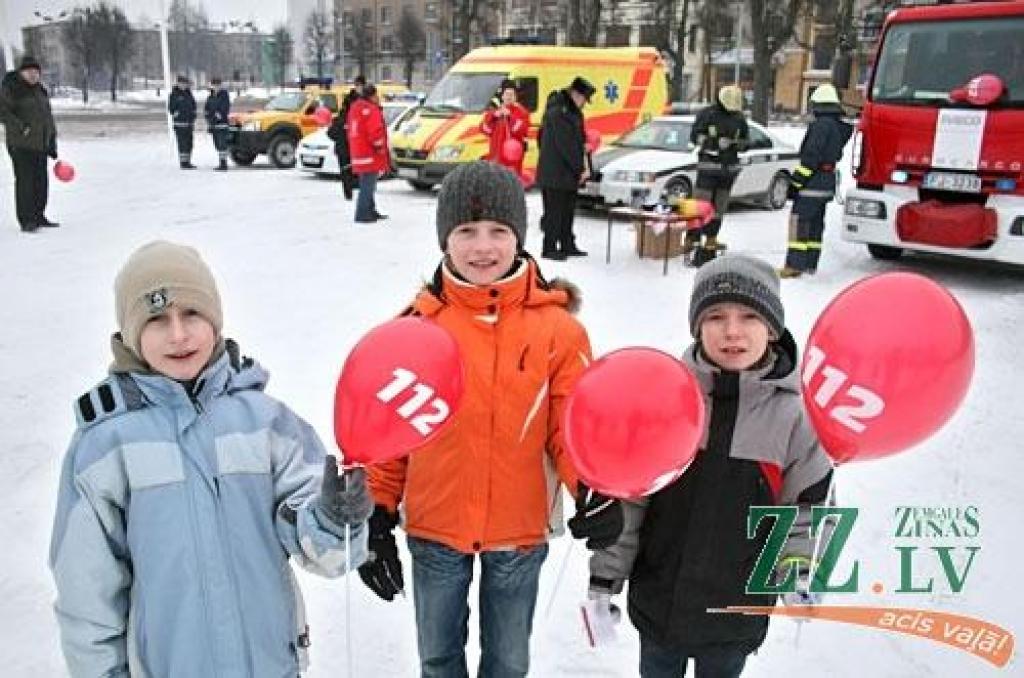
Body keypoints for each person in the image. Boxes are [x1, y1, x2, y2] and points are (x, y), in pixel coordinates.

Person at [49, 240, 372, 676]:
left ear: (215, 320)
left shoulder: (265, 422)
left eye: (192, 314)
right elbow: (86, 593)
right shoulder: (106, 446)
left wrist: (332, 518)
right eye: (157, 320)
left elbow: (329, 554)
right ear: (129, 333)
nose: (178, 335)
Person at [360, 161, 623, 677]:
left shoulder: (559, 331)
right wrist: (377, 512)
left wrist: (591, 489)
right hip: (436, 526)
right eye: (466, 231)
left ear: (519, 236)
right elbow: (391, 435)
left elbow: (569, 428)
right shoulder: (416, 328)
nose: (483, 247)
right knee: (438, 658)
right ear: (445, 239)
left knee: (508, 661)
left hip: (517, 532)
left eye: (498, 231)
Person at [588, 254, 835, 678]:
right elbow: (631, 502)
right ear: (697, 327)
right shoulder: (666, 400)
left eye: (750, 317)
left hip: (734, 615)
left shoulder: (795, 418)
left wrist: (799, 572)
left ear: (772, 329)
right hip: (659, 604)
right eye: (716, 316)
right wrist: (605, 578)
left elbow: (806, 509)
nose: (732, 331)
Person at [779, 84, 853, 278]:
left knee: (800, 222)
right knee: (815, 224)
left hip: (813, 182)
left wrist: (796, 183)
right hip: (827, 182)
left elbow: (810, 157)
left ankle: (794, 265)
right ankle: (810, 263)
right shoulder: (838, 127)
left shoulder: (821, 126)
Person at [686, 84, 750, 267]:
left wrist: (735, 144)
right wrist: (713, 142)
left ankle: (711, 238)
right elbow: (694, 136)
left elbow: (746, 142)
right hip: (708, 168)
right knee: (700, 206)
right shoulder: (707, 114)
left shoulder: (739, 118)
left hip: (728, 170)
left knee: (719, 207)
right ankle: (692, 239)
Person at [536, 76, 596, 260]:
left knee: (567, 212)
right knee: (554, 212)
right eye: (584, 99)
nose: (584, 103)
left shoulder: (571, 112)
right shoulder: (559, 113)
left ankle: (567, 244)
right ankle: (549, 247)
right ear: (575, 94)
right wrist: (580, 168)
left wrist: (584, 150)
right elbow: (566, 145)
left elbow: (577, 140)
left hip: (566, 173)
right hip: (555, 172)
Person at [0, 55, 59, 232]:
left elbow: (47, 117)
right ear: (21, 73)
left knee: (41, 182)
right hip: (21, 145)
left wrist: (51, 140)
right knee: (25, 182)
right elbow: (3, 112)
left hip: (40, 144)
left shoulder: (40, 91)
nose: (33, 75)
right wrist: (21, 128)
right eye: (29, 71)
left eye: (36, 71)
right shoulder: (12, 89)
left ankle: (38, 215)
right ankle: (26, 220)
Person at [347, 83, 389, 223]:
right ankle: (363, 213)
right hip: (370, 154)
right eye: (376, 95)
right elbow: (375, 132)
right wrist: (380, 147)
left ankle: (370, 209)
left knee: (366, 183)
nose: (378, 98)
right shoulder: (371, 109)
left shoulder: (355, 108)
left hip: (358, 152)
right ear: (372, 96)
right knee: (368, 185)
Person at [480, 78, 530, 179]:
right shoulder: (495, 112)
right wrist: (493, 117)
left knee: (512, 180)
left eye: (511, 95)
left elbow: (522, 130)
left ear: (515, 97)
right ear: (502, 96)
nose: (509, 97)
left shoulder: (522, 112)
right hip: (496, 156)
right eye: (507, 94)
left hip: (512, 157)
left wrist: (510, 117)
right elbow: (484, 129)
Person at [328, 74, 366, 200]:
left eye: (360, 85)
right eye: (357, 85)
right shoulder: (349, 99)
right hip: (346, 142)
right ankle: (349, 192)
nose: (358, 87)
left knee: (354, 168)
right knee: (345, 168)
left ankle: (356, 188)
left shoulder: (365, 99)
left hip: (353, 142)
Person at [168, 74, 197, 169]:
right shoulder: (174, 94)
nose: (183, 85)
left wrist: (193, 115)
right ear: (178, 84)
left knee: (189, 143)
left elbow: (193, 106)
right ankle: (183, 163)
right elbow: (171, 108)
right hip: (180, 124)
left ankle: (188, 161)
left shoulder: (189, 94)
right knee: (182, 143)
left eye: (185, 83)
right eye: (182, 83)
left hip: (189, 123)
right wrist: (176, 113)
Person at [204, 77, 231, 171]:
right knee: (217, 144)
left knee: (222, 143)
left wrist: (219, 114)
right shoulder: (210, 97)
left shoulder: (224, 95)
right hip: (213, 124)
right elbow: (207, 108)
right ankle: (221, 162)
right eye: (214, 85)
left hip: (222, 124)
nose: (216, 87)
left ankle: (223, 163)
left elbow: (225, 107)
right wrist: (208, 116)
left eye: (218, 85)